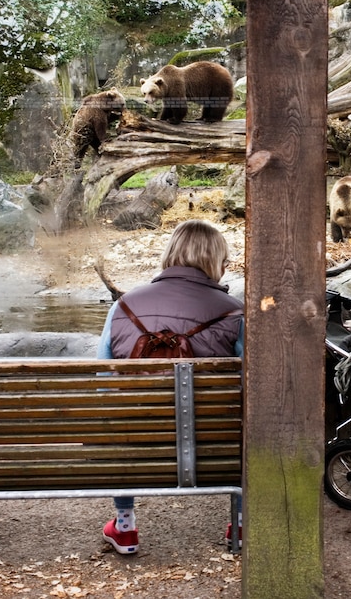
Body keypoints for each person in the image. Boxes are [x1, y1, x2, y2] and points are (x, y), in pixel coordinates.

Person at [96, 219, 244, 555]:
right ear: (215, 261)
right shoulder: (236, 312)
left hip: (138, 443)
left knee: (120, 421)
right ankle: (240, 523)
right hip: (213, 447)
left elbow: (104, 386)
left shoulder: (123, 306)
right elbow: (254, 386)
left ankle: (124, 526)